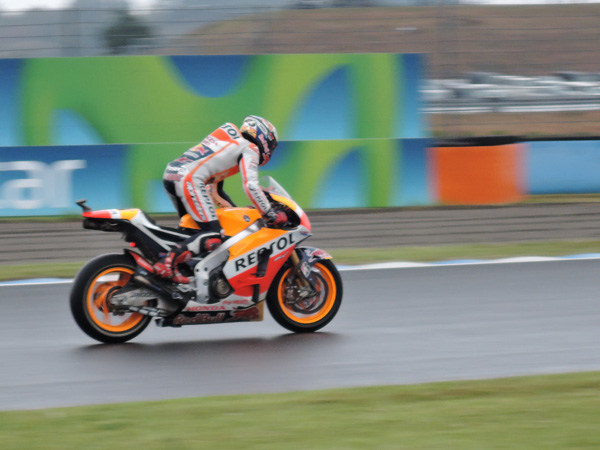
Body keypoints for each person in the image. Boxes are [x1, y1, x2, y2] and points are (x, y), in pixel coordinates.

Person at [151, 115, 287, 283]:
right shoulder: (250, 148)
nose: (271, 150)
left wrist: (239, 214)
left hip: (172, 173)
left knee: (191, 230)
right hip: (190, 179)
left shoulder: (230, 141)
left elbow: (216, 193)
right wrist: (269, 212)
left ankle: (171, 266)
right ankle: (167, 264)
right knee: (213, 234)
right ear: (264, 137)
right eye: (272, 145)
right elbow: (251, 186)